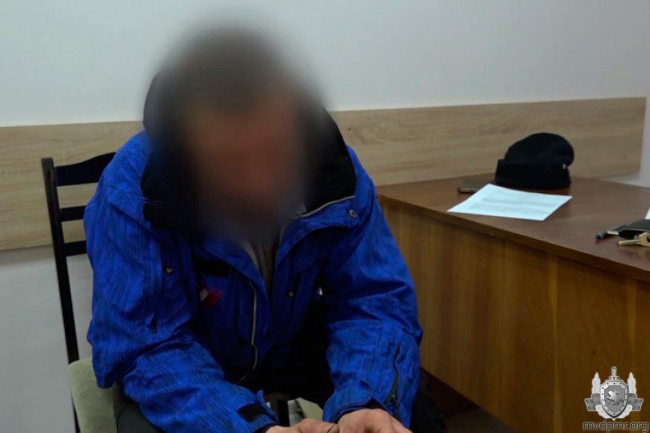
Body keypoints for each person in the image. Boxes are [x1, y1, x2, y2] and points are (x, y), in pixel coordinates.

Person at [85, 28, 445, 433]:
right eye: (229, 161)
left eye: (274, 152)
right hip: (188, 355)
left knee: (408, 408)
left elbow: (372, 299)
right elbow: (146, 346)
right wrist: (255, 429)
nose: (258, 186)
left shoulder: (335, 171)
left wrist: (366, 402)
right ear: (187, 147)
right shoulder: (132, 190)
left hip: (288, 339)